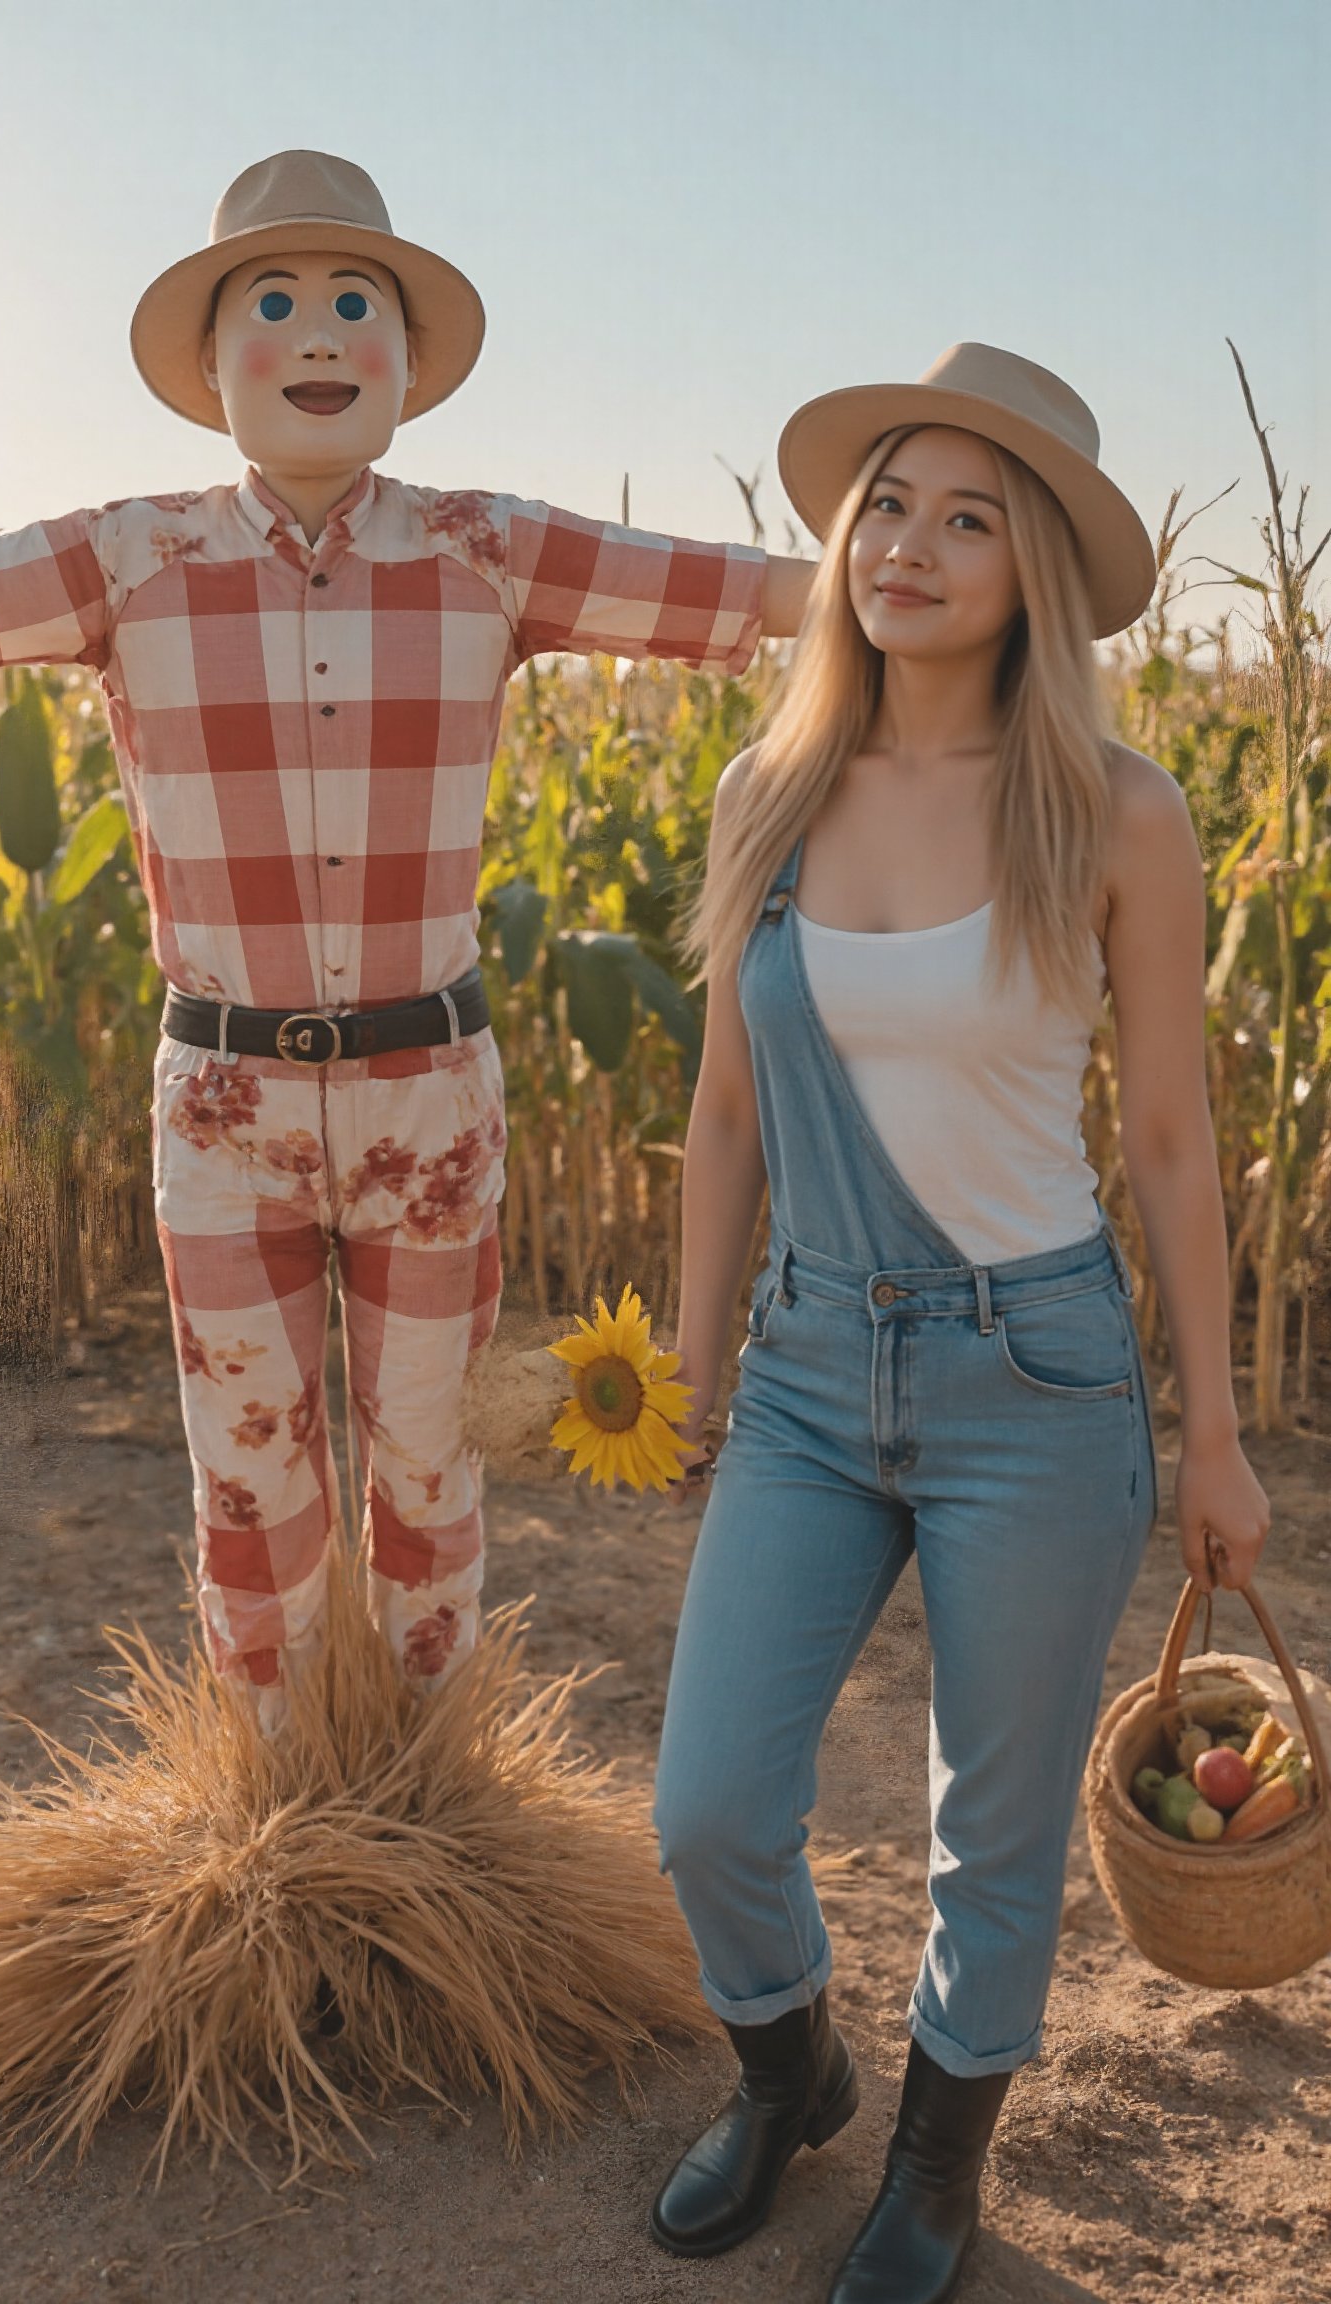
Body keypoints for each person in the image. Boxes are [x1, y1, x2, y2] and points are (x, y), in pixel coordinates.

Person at [0, 150, 813, 1725]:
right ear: (210, 369)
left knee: (431, 1472)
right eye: (277, 304)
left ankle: (419, 1793)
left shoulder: (491, 545)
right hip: (223, 1106)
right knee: (252, 1493)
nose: (322, 333)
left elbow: (749, 586)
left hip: (429, 1094)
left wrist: (966, 581)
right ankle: (277, 1799)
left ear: (408, 364)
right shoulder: (128, 557)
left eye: (359, 305)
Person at [648, 344, 1271, 2303]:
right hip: (813, 1372)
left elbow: (1172, 1143)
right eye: (887, 508)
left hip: (1043, 1378)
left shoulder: (1114, 809)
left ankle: (938, 2163)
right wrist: (687, 1357)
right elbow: (725, 1117)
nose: (909, 546)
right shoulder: (775, 787)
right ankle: (791, 2066)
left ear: (1034, 577)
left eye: (967, 518)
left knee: (988, 1838)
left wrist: (1221, 1431)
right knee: (707, 1805)